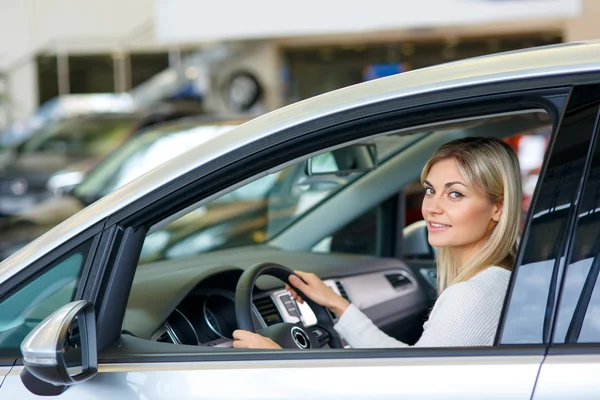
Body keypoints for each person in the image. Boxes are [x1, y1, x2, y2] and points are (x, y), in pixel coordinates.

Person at [232, 136, 522, 349]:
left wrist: (279, 361)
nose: (432, 207)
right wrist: (336, 303)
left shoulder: (471, 296)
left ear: (498, 207)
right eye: (430, 190)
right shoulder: (496, 280)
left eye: (455, 194)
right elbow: (410, 368)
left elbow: (403, 390)